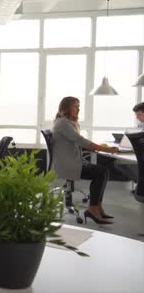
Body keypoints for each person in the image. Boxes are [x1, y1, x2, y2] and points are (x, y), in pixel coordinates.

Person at [51, 96, 118, 225]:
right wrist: (107, 150)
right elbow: (81, 141)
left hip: (73, 161)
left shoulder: (68, 122)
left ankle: (97, 206)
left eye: (79, 106)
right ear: (66, 107)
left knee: (104, 172)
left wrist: (96, 147)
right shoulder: (63, 123)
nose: (78, 109)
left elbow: (78, 142)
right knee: (101, 172)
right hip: (67, 165)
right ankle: (93, 208)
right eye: (75, 106)